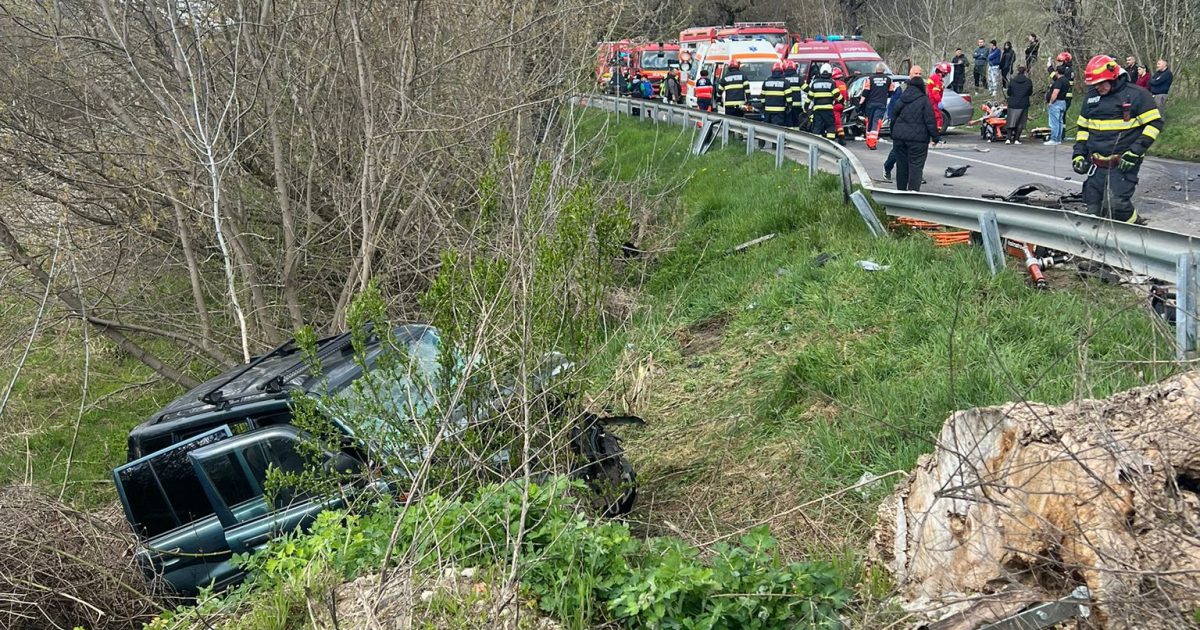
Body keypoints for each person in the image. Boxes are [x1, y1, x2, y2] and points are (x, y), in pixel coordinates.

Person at [1071, 54, 1163, 223]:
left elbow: (1155, 123)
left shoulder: (1137, 95)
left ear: (1113, 77)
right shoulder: (1091, 97)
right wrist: (1078, 154)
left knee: (1117, 204)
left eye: (1100, 83)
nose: (1098, 87)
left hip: (1122, 163)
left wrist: (1135, 152)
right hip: (1096, 165)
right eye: (1094, 84)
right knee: (1092, 206)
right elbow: (1083, 128)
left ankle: (1136, 230)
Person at [890, 65, 941, 191]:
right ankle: (913, 195)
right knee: (916, 168)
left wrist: (893, 133)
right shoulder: (924, 100)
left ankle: (901, 193)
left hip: (900, 138)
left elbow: (893, 117)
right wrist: (935, 137)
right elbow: (930, 120)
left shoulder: (902, 97)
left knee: (901, 167)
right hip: (918, 140)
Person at [803, 63, 840, 140]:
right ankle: (830, 144)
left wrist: (806, 107)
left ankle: (817, 145)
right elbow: (837, 95)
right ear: (830, 72)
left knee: (817, 127)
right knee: (830, 127)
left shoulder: (815, 83)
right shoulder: (832, 83)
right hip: (828, 110)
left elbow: (809, 97)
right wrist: (843, 101)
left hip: (817, 110)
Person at [859, 63, 893, 148]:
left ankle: (868, 140)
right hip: (881, 104)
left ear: (876, 69)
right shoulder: (889, 80)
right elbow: (891, 92)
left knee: (869, 121)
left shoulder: (870, 79)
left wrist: (861, 103)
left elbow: (865, 92)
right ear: (884, 70)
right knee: (876, 122)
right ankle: (872, 143)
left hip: (870, 104)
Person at [882, 81, 904, 180]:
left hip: (912, 127)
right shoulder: (899, 93)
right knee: (897, 150)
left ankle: (915, 175)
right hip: (901, 126)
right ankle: (887, 167)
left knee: (914, 153)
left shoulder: (920, 92)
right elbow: (893, 113)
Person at [1005, 66, 1033, 143]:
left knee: (1011, 121)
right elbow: (1030, 92)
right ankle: (1016, 139)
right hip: (1023, 103)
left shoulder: (1012, 81)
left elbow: (1009, 93)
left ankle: (1008, 138)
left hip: (1013, 103)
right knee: (1021, 122)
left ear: (1017, 72)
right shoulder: (1028, 81)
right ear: (1025, 72)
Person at [1044, 65, 1070, 145]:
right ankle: (1058, 139)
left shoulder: (1059, 81)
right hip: (1063, 102)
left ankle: (1053, 139)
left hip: (1056, 103)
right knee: (1060, 122)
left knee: (1054, 122)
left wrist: (1051, 102)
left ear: (1057, 72)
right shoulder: (1066, 81)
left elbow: (1055, 93)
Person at [761, 62, 792, 126]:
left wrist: (763, 106)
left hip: (768, 110)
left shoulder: (766, 81)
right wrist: (789, 106)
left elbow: (762, 96)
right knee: (778, 128)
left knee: (768, 127)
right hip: (779, 111)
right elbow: (789, 97)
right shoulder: (785, 82)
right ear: (782, 71)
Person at [928, 62, 949, 135]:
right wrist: (939, 101)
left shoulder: (934, 77)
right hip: (933, 101)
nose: (946, 75)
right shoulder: (938, 79)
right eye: (946, 73)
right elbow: (935, 92)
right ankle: (937, 132)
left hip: (930, 100)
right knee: (938, 117)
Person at [831, 67, 850, 144]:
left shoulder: (834, 84)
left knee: (837, 123)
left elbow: (834, 95)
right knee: (838, 121)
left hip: (835, 105)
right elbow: (847, 95)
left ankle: (841, 139)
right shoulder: (843, 84)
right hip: (842, 105)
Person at [783, 60, 804, 127]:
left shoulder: (783, 78)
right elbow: (806, 89)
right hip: (797, 105)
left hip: (786, 105)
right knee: (796, 122)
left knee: (788, 122)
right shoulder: (799, 78)